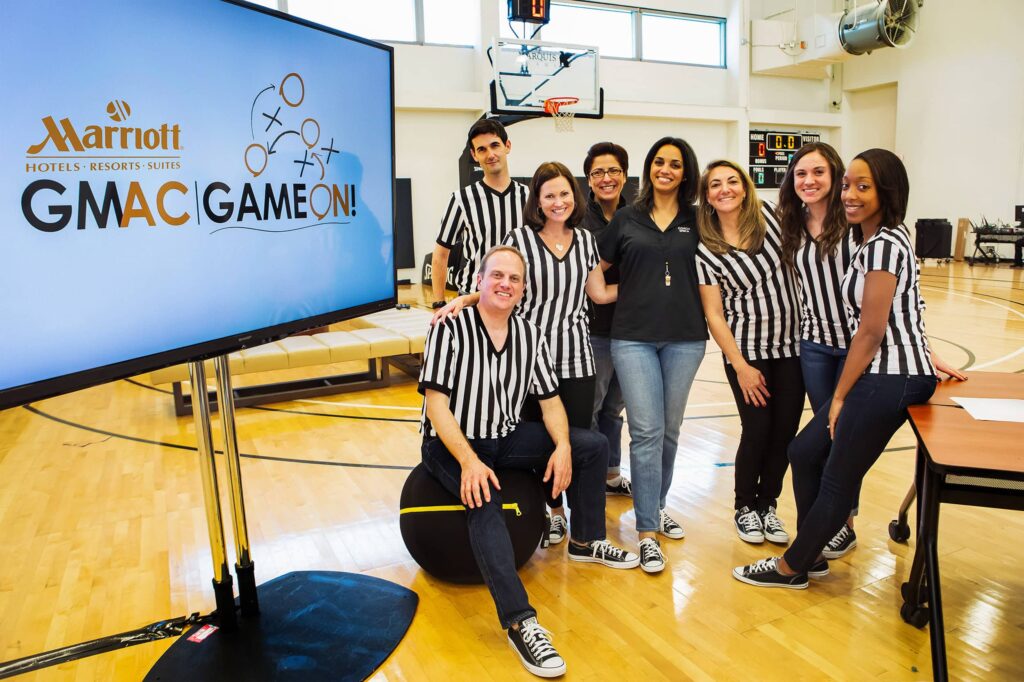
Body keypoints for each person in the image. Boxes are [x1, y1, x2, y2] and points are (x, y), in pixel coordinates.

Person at [732, 148, 963, 589]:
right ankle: (811, 550)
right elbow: (898, 313)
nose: (851, 195)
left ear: (887, 192)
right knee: (804, 452)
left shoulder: (885, 243)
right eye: (849, 186)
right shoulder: (868, 239)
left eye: (863, 186)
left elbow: (872, 331)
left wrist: (840, 396)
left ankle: (793, 566)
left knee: (838, 474)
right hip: (874, 369)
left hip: (888, 375)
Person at [420, 245, 638, 676]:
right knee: (484, 499)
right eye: (496, 275)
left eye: (514, 279)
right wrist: (468, 461)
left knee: (590, 445)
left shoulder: (529, 333)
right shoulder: (450, 328)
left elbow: (551, 401)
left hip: (505, 436)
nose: (505, 284)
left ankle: (585, 540)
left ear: (523, 289)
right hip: (452, 445)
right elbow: (437, 408)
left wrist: (561, 446)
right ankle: (522, 622)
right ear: (478, 281)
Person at [434, 162, 617, 546]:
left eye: (564, 193)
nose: (557, 201)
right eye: (549, 195)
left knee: (575, 443)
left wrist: (656, 287)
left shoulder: (586, 241)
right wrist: (462, 301)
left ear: (574, 196)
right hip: (530, 363)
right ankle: (551, 514)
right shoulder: (519, 238)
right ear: (537, 200)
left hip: (577, 360)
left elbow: (598, 293)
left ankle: (582, 528)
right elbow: (498, 281)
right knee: (536, 446)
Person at [598, 137, 709, 573]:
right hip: (633, 338)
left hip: (686, 338)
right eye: (659, 162)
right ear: (649, 169)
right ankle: (647, 533)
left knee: (670, 430)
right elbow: (593, 267)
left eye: (675, 164)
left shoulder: (699, 221)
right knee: (645, 430)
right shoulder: (627, 218)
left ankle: (657, 504)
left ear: (686, 173)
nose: (666, 169)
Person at [695, 160, 803, 546]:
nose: (724, 189)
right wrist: (739, 365)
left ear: (744, 187)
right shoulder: (705, 248)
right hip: (748, 353)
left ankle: (767, 506)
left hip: (792, 347)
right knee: (757, 429)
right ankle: (745, 507)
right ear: (706, 196)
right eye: (715, 185)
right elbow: (714, 314)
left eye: (732, 181)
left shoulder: (773, 220)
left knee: (785, 432)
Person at [580, 142, 633, 498]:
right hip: (594, 330)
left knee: (615, 408)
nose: (606, 178)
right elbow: (588, 276)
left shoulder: (637, 215)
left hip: (631, 329)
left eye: (613, 170)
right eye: (598, 172)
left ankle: (612, 474)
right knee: (594, 407)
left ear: (624, 175)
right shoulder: (580, 219)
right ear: (589, 179)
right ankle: (590, 475)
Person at [430, 119, 528, 306]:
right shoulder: (461, 199)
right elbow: (440, 255)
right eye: (482, 149)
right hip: (474, 301)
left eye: (495, 145)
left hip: (518, 301)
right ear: (474, 155)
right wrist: (439, 304)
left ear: (507, 146)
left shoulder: (529, 197)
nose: (490, 154)